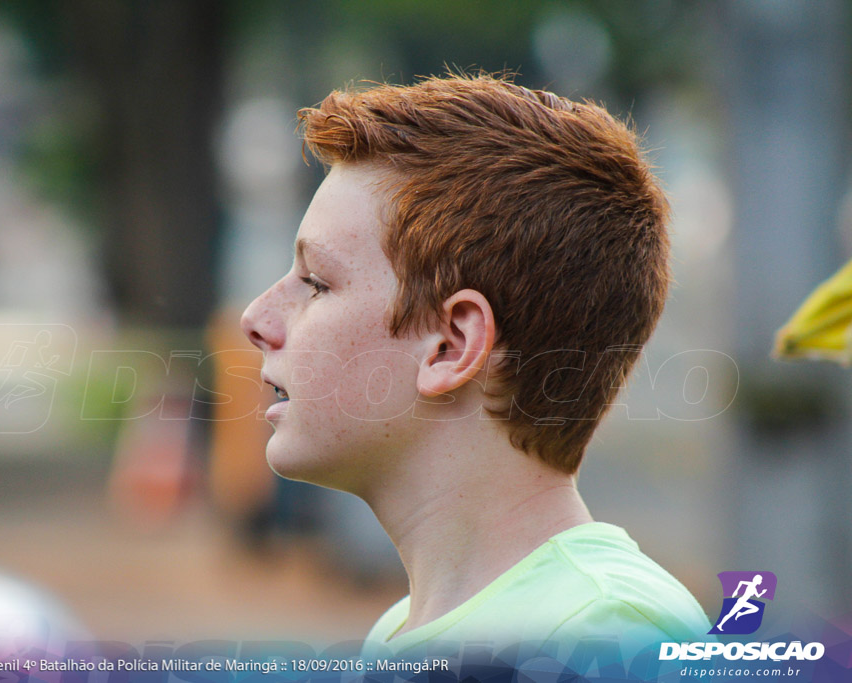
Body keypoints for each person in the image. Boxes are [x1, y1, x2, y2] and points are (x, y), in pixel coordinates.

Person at [240, 72, 710, 660]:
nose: (255, 318)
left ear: (452, 346)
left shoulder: (608, 633)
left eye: (315, 282)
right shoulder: (398, 637)